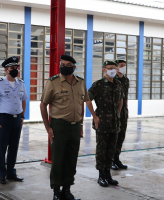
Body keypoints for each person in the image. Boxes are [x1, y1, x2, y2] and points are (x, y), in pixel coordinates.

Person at [40, 55, 99, 200]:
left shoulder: (81, 83)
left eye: (67, 64)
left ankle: (67, 190)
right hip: (59, 126)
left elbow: (82, 103)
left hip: (74, 127)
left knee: (71, 160)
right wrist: (48, 128)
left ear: (74, 67)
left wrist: (80, 124)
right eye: (62, 64)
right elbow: (43, 105)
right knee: (58, 160)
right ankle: (56, 192)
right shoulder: (52, 82)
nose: (64, 66)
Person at [0, 56, 28, 184]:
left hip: (17, 120)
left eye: (16, 68)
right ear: (6, 70)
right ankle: (1, 174)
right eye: (12, 68)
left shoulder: (21, 83)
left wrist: (22, 117)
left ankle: (11, 172)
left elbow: (24, 101)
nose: (15, 70)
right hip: (4, 119)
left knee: (14, 147)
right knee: (1, 147)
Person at [88, 60, 123, 187]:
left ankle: (108, 175)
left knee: (111, 150)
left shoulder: (118, 83)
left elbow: (121, 99)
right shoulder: (98, 84)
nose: (113, 70)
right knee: (102, 150)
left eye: (114, 68)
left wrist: (118, 114)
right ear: (104, 69)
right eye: (110, 68)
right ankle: (101, 176)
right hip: (102, 122)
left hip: (115, 122)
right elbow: (87, 99)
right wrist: (94, 116)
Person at [112, 59, 129, 170]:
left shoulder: (126, 80)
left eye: (125, 65)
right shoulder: (113, 79)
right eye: (121, 65)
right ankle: (111, 160)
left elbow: (125, 97)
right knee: (114, 137)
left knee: (121, 136)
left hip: (123, 112)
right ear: (116, 68)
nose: (124, 67)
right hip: (114, 112)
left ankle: (117, 159)